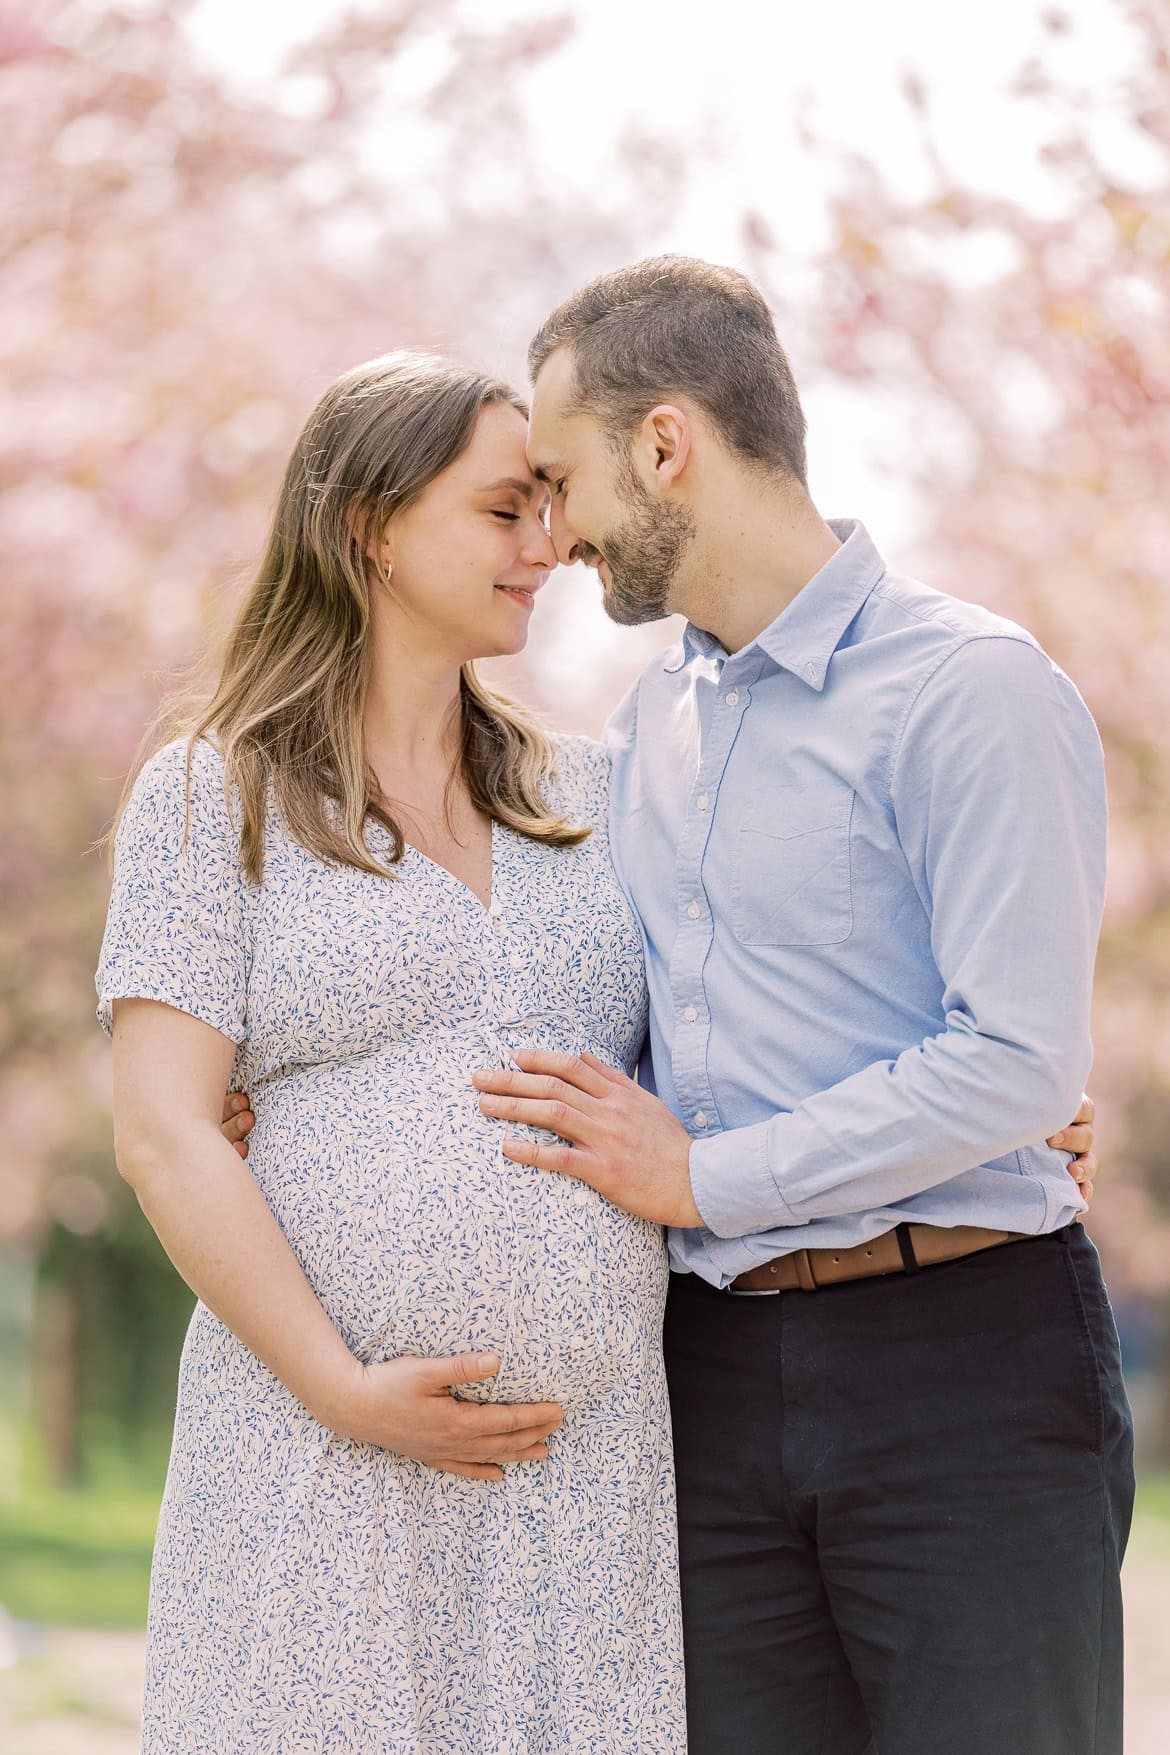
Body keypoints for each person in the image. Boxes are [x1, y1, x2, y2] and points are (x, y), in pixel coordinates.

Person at [462, 257, 1133, 1755]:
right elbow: (625, 1010)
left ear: (664, 446)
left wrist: (706, 1178)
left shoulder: (968, 688)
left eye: (561, 479)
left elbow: (1018, 1058)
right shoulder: (651, 728)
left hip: (960, 1363)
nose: (552, 534)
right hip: (705, 1380)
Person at [96, 353, 685, 1752]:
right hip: (317, 1452)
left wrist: (1006, 1111)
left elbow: (753, 1020)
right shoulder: (213, 795)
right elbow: (164, 1130)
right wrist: (340, 1387)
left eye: (551, 506)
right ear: (366, 523)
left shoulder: (592, 797)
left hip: (577, 1478)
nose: (548, 546)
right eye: (503, 511)